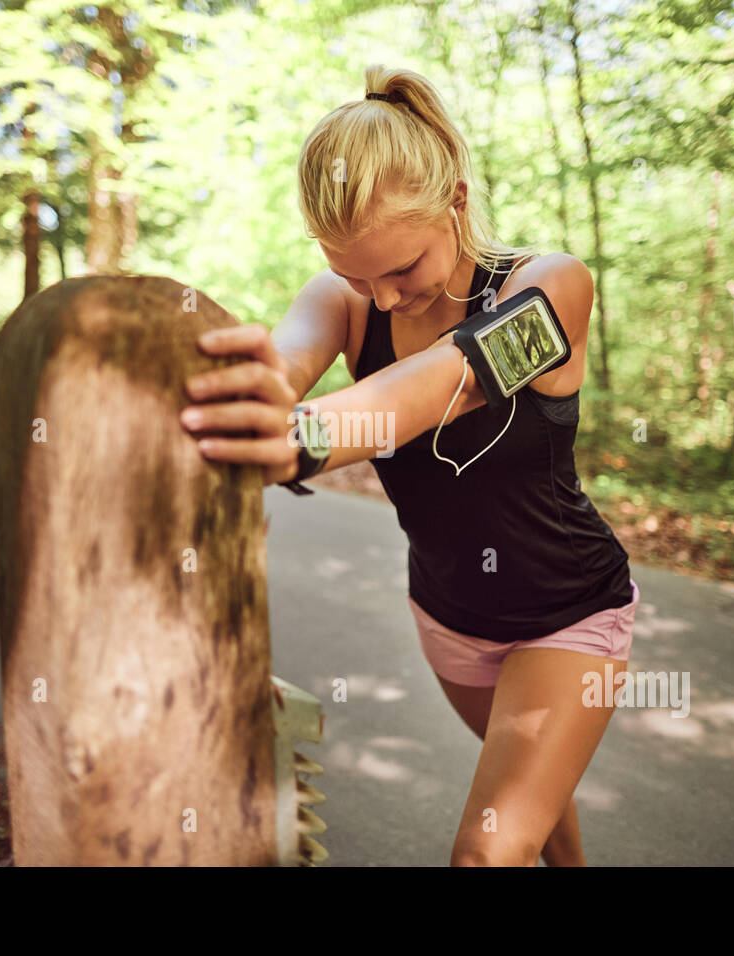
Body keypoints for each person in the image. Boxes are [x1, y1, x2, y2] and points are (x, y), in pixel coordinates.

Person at [178, 65, 639, 867]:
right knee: (536, 797)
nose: (383, 300)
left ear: (456, 201)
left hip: (571, 616)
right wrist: (246, 402)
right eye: (357, 274)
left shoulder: (551, 288)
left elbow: (448, 383)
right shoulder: (342, 298)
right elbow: (284, 363)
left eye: (402, 269)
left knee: (485, 854)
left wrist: (299, 438)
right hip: (449, 620)